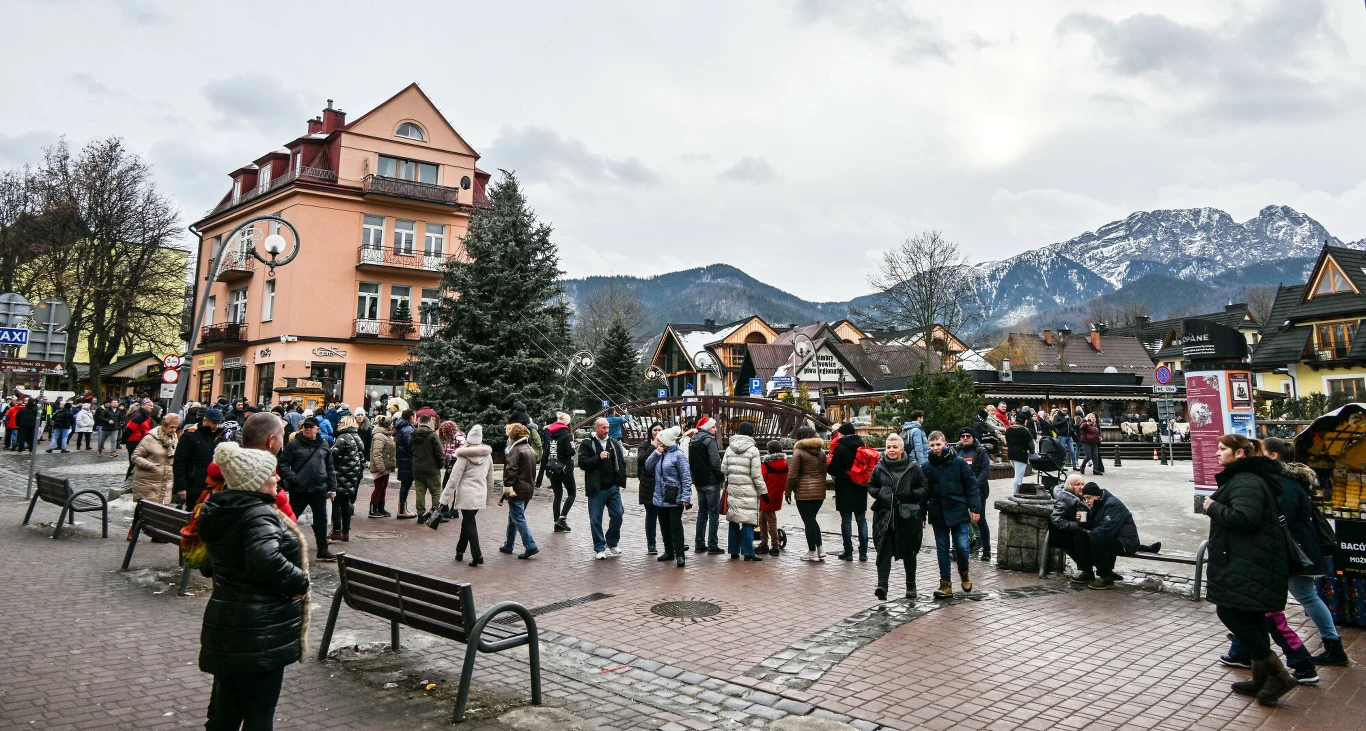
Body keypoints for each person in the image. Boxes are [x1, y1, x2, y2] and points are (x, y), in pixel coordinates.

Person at [197, 441, 310, 731]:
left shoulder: (220, 507)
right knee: (259, 712)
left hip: (227, 620)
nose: (277, 478)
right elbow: (265, 558)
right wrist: (299, 581)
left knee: (226, 709)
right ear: (256, 481)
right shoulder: (258, 514)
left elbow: (208, 564)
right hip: (260, 626)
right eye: (272, 474)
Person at [1203, 434, 1296, 706]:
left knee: (1230, 610)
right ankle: (1262, 678)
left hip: (1249, 560)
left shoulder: (1246, 480)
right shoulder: (1246, 478)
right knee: (1250, 614)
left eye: (1222, 449)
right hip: (1248, 558)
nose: (1217, 454)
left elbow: (1245, 518)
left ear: (1239, 454)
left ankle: (1278, 676)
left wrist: (1213, 507)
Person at [1264, 437, 1347, 667]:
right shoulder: (1289, 480)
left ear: (1273, 456)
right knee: (1274, 594)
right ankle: (1244, 639)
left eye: (1262, 451)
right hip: (1297, 548)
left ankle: (1333, 646)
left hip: (1296, 550)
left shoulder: (1284, 483)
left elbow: (1284, 518)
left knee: (1306, 595)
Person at [868, 433, 928, 600]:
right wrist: (881, 492)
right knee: (884, 551)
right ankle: (882, 586)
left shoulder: (913, 467)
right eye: (888, 447)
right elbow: (871, 486)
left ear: (902, 449)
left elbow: (924, 488)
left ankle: (911, 585)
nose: (891, 450)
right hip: (885, 516)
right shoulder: (880, 467)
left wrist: (910, 494)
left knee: (909, 551)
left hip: (907, 515)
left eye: (895, 447)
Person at [923, 431, 981, 599]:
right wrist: (921, 514)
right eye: (932, 445)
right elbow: (923, 493)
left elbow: (971, 486)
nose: (935, 448)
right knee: (942, 549)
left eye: (938, 444)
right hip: (938, 512)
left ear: (945, 444)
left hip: (958, 509)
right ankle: (945, 584)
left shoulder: (959, 463)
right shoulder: (926, 467)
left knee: (962, 546)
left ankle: (964, 572)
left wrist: (975, 508)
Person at [277, 417, 337, 563]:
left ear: (318, 429)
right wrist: (293, 479)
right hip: (300, 489)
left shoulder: (323, 445)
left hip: (318, 488)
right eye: (305, 427)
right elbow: (283, 464)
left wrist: (332, 487)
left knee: (321, 520)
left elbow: (330, 467)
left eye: (311, 427)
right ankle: (283, 547)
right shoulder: (294, 445)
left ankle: (322, 549)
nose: (308, 429)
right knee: (290, 518)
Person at [1080, 483, 1159, 589]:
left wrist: (1091, 532)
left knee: (1096, 538)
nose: (1087, 501)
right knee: (1088, 536)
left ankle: (1106, 577)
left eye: (1088, 498)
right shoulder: (1098, 503)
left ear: (1097, 495)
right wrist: (1082, 517)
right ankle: (1103, 571)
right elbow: (1093, 524)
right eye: (1085, 499)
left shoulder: (1112, 504)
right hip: (1118, 538)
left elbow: (1107, 529)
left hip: (1125, 542)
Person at [438, 424, 493, 567]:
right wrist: (487, 499)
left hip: (467, 495)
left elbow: (453, 480)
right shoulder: (487, 456)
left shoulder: (463, 457)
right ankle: (460, 551)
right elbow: (490, 481)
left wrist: (444, 500)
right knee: (467, 523)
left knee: (469, 524)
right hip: (480, 494)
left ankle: (477, 555)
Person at [579, 417, 627, 560]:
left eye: (607, 428)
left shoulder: (613, 443)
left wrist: (620, 480)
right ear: (596, 428)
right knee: (595, 519)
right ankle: (599, 547)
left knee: (618, 514)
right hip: (596, 488)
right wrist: (598, 458)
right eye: (603, 428)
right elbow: (582, 463)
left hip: (612, 486)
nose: (607, 430)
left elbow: (621, 462)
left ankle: (611, 541)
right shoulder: (587, 444)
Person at [646, 425, 692, 567]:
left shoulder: (679, 455)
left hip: (674, 497)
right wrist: (656, 453)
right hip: (660, 496)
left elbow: (686, 477)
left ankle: (680, 554)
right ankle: (668, 551)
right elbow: (648, 466)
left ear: (666, 441)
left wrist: (685, 497)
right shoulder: (659, 452)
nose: (658, 441)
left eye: (660, 440)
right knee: (664, 525)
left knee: (675, 526)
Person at [723, 421, 766, 561]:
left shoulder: (730, 448)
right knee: (748, 520)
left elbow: (723, 469)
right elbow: (756, 475)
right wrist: (763, 492)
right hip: (749, 490)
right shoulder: (753, 450)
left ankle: (733, 551)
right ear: (752, 432)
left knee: (734, 519)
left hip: (734, 489)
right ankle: (748, 552)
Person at [175, 408, 235, 509]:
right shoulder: (190, 436)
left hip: (213, 486)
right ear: (205, 421)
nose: (216, 426)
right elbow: (179, 462)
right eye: (214, 423)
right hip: (194, 486)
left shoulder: (220, 437)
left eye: (219, 423)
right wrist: (181, 487)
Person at [827, 423, 869, 562]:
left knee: (846, 520)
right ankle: (863, 552)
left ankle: (848, 552)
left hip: (844, 487)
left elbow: (832, 469)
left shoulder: (841, 448)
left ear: (843, 434)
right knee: (861, 520)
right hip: (860, 486)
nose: (838, 435)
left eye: (839, 433)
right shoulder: (862, 447)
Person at [788, 426, 828, 561]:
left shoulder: (798, 452)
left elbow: (792, 475)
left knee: (808, 521)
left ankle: (812, 551)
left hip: (804, 492)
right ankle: (820, 548)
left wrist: (787, 491)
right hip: (820, 492)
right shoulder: (821, 452)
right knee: (812, 520)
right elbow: (824, 472)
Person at [500, 422, 539, 559]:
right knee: (514, 518)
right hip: (528, 488)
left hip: (516, 490)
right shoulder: (530, 449)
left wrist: (507, 488)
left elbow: (511, 471)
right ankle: (508, 545)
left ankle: (530, 545)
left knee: (518, 518)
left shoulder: (514, 450)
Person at [1049, 475, 1096, 583]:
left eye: (1082, 484)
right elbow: (1056, 519)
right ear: (1070, 487)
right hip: (1067, 535)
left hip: (1082, 529)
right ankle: (1087, 571)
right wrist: (1077, 526)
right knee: (1082, 539)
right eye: (1077, 485)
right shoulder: (1065, 501)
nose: (1081, 487)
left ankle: (1105, 570)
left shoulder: (1082, 498)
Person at [689, 416, 725, 555]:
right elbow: (716, 462)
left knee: (702, 513)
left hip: (699, 482)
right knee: (713, 514)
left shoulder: (693, 440)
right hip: (711, 482)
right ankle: (712, 545)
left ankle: (699, 544)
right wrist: (721, 478)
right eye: (713, 427)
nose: (715, 429)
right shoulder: (709, 440)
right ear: (707, 428)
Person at [957, 429, 993, 561]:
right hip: (962, 491)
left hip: (978, 491)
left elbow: (985, 470)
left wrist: (974, 485)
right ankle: (963, 547)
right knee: (962, 520)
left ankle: (987, 549)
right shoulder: (958, 451)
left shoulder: (980, 451)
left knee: (980, 520)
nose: (965, 438)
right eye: (963, 436)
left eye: (968, 436)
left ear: (973, 437)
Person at [329, 415, 366, 543]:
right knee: (346, 502)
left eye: (341, 422)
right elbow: (362, 457)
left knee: (336, 502)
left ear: (347, 423)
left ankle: (337, 530)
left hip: (341, 474)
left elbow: (333, 455)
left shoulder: (343, 437)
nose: (338, 424)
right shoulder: (357, 437)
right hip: (353, 476)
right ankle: (346, 532)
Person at [131, 414, 180, 504]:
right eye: (171, 427)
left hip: (165, 483)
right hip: (148, 483)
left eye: (175, 428)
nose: (173, 430)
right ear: (164, 426)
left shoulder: (174, 439)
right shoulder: (150, 439)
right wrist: (149, 465)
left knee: (159, 513)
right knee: (143, 512)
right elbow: (135, 457)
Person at [543, 411, 577, 532]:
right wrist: (573, 445)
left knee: (557, 495)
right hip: (565, 468)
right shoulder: (567, 435)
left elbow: (547, 451)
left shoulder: (550, 433)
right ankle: (562, 518)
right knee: (572, 493)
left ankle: (556, 523)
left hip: (553, 467)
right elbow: (571, 452)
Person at [408, 410, 444, 523]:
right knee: (436, 493)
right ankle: (435, 516)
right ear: (429, 423)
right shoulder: (432, 435)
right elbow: (439, 453)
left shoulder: (412, 435)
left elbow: (410, 451)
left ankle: (420, 515)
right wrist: (440, 465)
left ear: (419, 422)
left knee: (420, 492)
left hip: (417, 468)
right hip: (432, 469)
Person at [637, 422, 664, 554]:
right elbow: (641, 460)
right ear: (650, 431)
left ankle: (670, 543)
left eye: (660, 429)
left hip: (663, 485)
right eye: (655, 430)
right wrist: (653, 447)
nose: (657, 432)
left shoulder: (667, 445)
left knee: (666, 516)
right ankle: (651, 545)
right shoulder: (645, 445)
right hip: (649, 485)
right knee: (651, 516)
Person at [757, 439, 787, 556]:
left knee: (770, 520)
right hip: (777, 494)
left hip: (766, 494)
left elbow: (761, 479)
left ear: (769, 451)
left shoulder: (766, 464)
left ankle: (774, 545)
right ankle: (764, 542)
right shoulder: (784, 463)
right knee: (763, 518)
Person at [367, 416, 396, 518]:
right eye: (391, 424)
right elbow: (377, 453)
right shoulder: (379, 436)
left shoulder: (386, 435)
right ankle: (373, 510)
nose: (392, 425)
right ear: (386, 425)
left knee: (383, 487)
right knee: (378, 487)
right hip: (380, 467)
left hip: (385, 466)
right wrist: (380, 467)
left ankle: (380, 508)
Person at [123, 399, 159, 478]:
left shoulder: (145, 415)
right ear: (144, 405)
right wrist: (124, 440)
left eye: (152, 406)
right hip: (135, 442)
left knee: (136, 464)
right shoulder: (139, 416)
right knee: (134, 464)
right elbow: (129, 429)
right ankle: (127, 483)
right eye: (150, 405)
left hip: (140, 442)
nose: (152, 407)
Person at [392, 408, 416, 519]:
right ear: (411, 417)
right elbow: (410, 445)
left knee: (405, 485)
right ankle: (402, 510)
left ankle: (403, 509)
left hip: (403, 459)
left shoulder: (403, 428)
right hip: (407, 460)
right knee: (406, 485)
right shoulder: (407, 429)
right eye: (414, 416)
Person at [1004, 413, 1033, 495]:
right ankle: (1016, 493)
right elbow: (1031, 443)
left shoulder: (1009, 429)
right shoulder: (1024, 430)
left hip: (1011, 454)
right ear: (1023, 420)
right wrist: (1032, 451)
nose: (1027, 421)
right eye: (1026, 420)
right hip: (1020, 454)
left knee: (1017, 473)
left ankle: (1017, 491)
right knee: (1018, 476)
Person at [438, 420, 465, 494]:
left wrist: (452, 455)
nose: (443, 434)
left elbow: (462, 449)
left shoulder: (458, 437)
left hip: (456, 463)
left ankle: (454, 504)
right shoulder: (447, 439)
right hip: (449, 464)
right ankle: (445, 504)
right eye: (442, 432)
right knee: (446, 485)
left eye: (445, 432)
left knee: (454, 486)